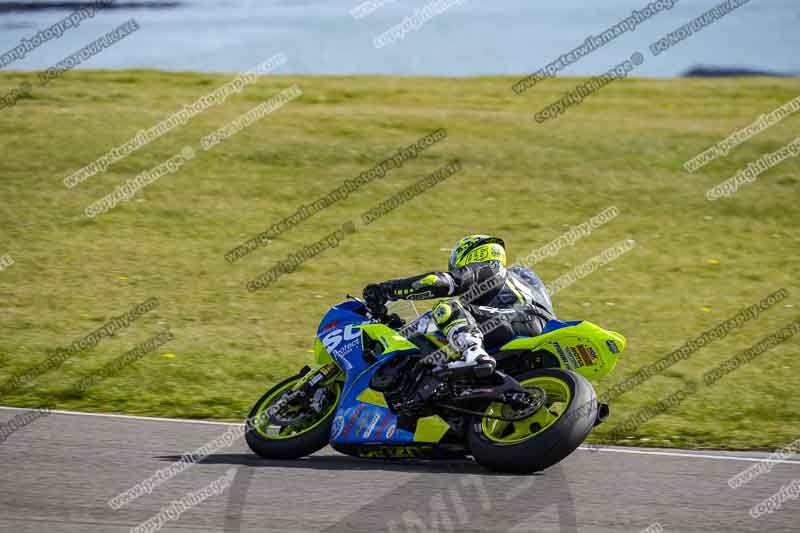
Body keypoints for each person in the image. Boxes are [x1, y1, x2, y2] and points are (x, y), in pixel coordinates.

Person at [362, 235, 556, 377]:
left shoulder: (490, 269)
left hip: (522, 321)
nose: (455, 267)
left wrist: (387, 290)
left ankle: (474, 354)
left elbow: (441, 282)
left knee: (447, 308)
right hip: (524, 331)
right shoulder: (513, 285)